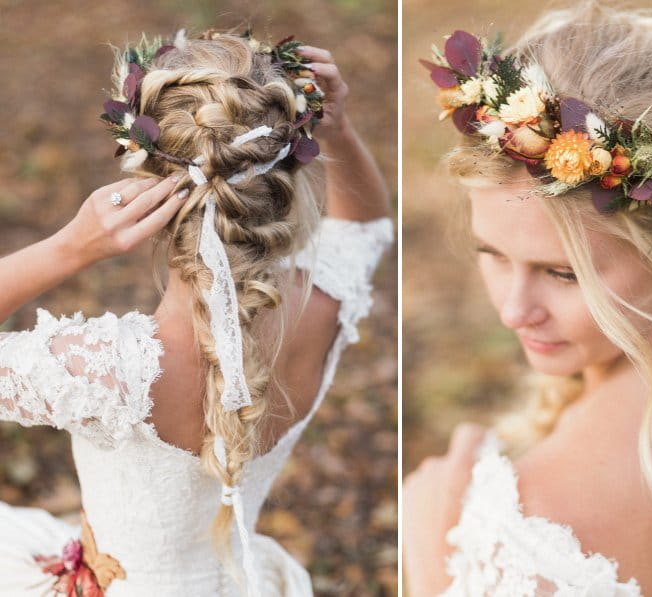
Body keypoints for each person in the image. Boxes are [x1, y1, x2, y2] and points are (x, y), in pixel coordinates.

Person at [403, 3, 652, 596]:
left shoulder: (526, 531)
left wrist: (437, 557)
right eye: (492, 254)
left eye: (563, 274)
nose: (514, 311)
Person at [0, 28, 392, 596]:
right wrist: (344, 129)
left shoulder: (110, 373)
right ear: (287, 170)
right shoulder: (323, 302)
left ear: (148, 175)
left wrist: (72, 246)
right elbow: (367, 227)